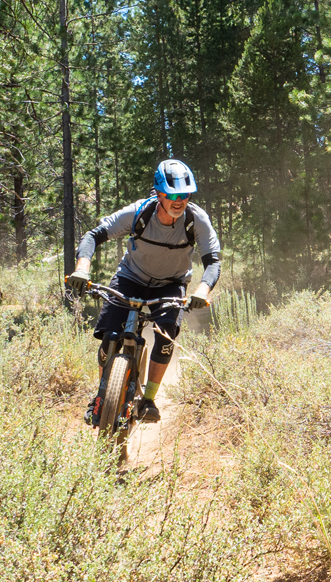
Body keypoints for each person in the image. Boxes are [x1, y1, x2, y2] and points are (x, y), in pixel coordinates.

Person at [66, 159, 221, 424]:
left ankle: (149, 399)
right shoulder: (139, 212)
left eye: (185, 195)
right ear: (159, 192)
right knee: (109, 336)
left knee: (165, 337)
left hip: (171, 283)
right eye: (172, 195)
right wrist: (82, 269)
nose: (179, 201)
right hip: (131, 277)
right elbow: (93, 235)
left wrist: (202, 291)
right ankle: (103, 394)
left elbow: (213, 261)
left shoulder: (197, 220)